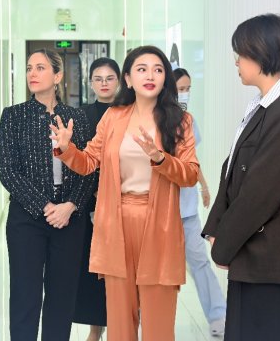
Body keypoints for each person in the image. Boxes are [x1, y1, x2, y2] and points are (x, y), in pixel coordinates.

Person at [51, 45, 199, 341]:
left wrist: (160, 158)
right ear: (128, 79)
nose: (150, 75)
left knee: (158, 321)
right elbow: (89, 162)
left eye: (158, 70)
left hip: (159, 225)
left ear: (165, 79)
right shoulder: (113, 117)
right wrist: (67, 149)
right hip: (116, 223)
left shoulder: (180, 121)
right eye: (142, 69)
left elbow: (190, 174)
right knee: (119, 320)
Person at [201, 14, 280, 341]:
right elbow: (232, 170)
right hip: (259, 255)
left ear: (262, 52)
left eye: (240, 53)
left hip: (274, 260)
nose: (236, 61)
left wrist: (223, 246)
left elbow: (259, 195)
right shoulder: (265, 105)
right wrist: (216, 228)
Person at [0, 48, 95, 340]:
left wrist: (71, 205)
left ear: (57, 76)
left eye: (40, 68)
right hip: (26, 220)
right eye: (29, 68)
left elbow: (89, 168)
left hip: (69, 220)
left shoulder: (77, 118)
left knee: (61, 297)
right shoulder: (13, 116)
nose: (32, 73)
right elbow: (8, 171)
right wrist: (45, 206)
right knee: (25, 295)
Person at [173, 67, 227, 337]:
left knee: (200, 262)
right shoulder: (151, 118)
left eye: (188, 89)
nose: (185, 94)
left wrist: (203, 185)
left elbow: (192, 159)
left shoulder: (188, 120)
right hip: (160, 211)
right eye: (180, 89)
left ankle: (218, 315)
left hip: (187, 210)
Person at [74, 57, 121, 341]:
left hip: (122, 201)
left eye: (109, 78)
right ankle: (95, 328)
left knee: (118, 270)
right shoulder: (81, 115)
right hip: (89, 201)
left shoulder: (129, 111)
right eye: (98, 79)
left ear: (119, 81)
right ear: (90, 83)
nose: (104, 84)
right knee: (92, 268)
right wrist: (94, 190)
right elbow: (79, 157)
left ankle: (119, 326)